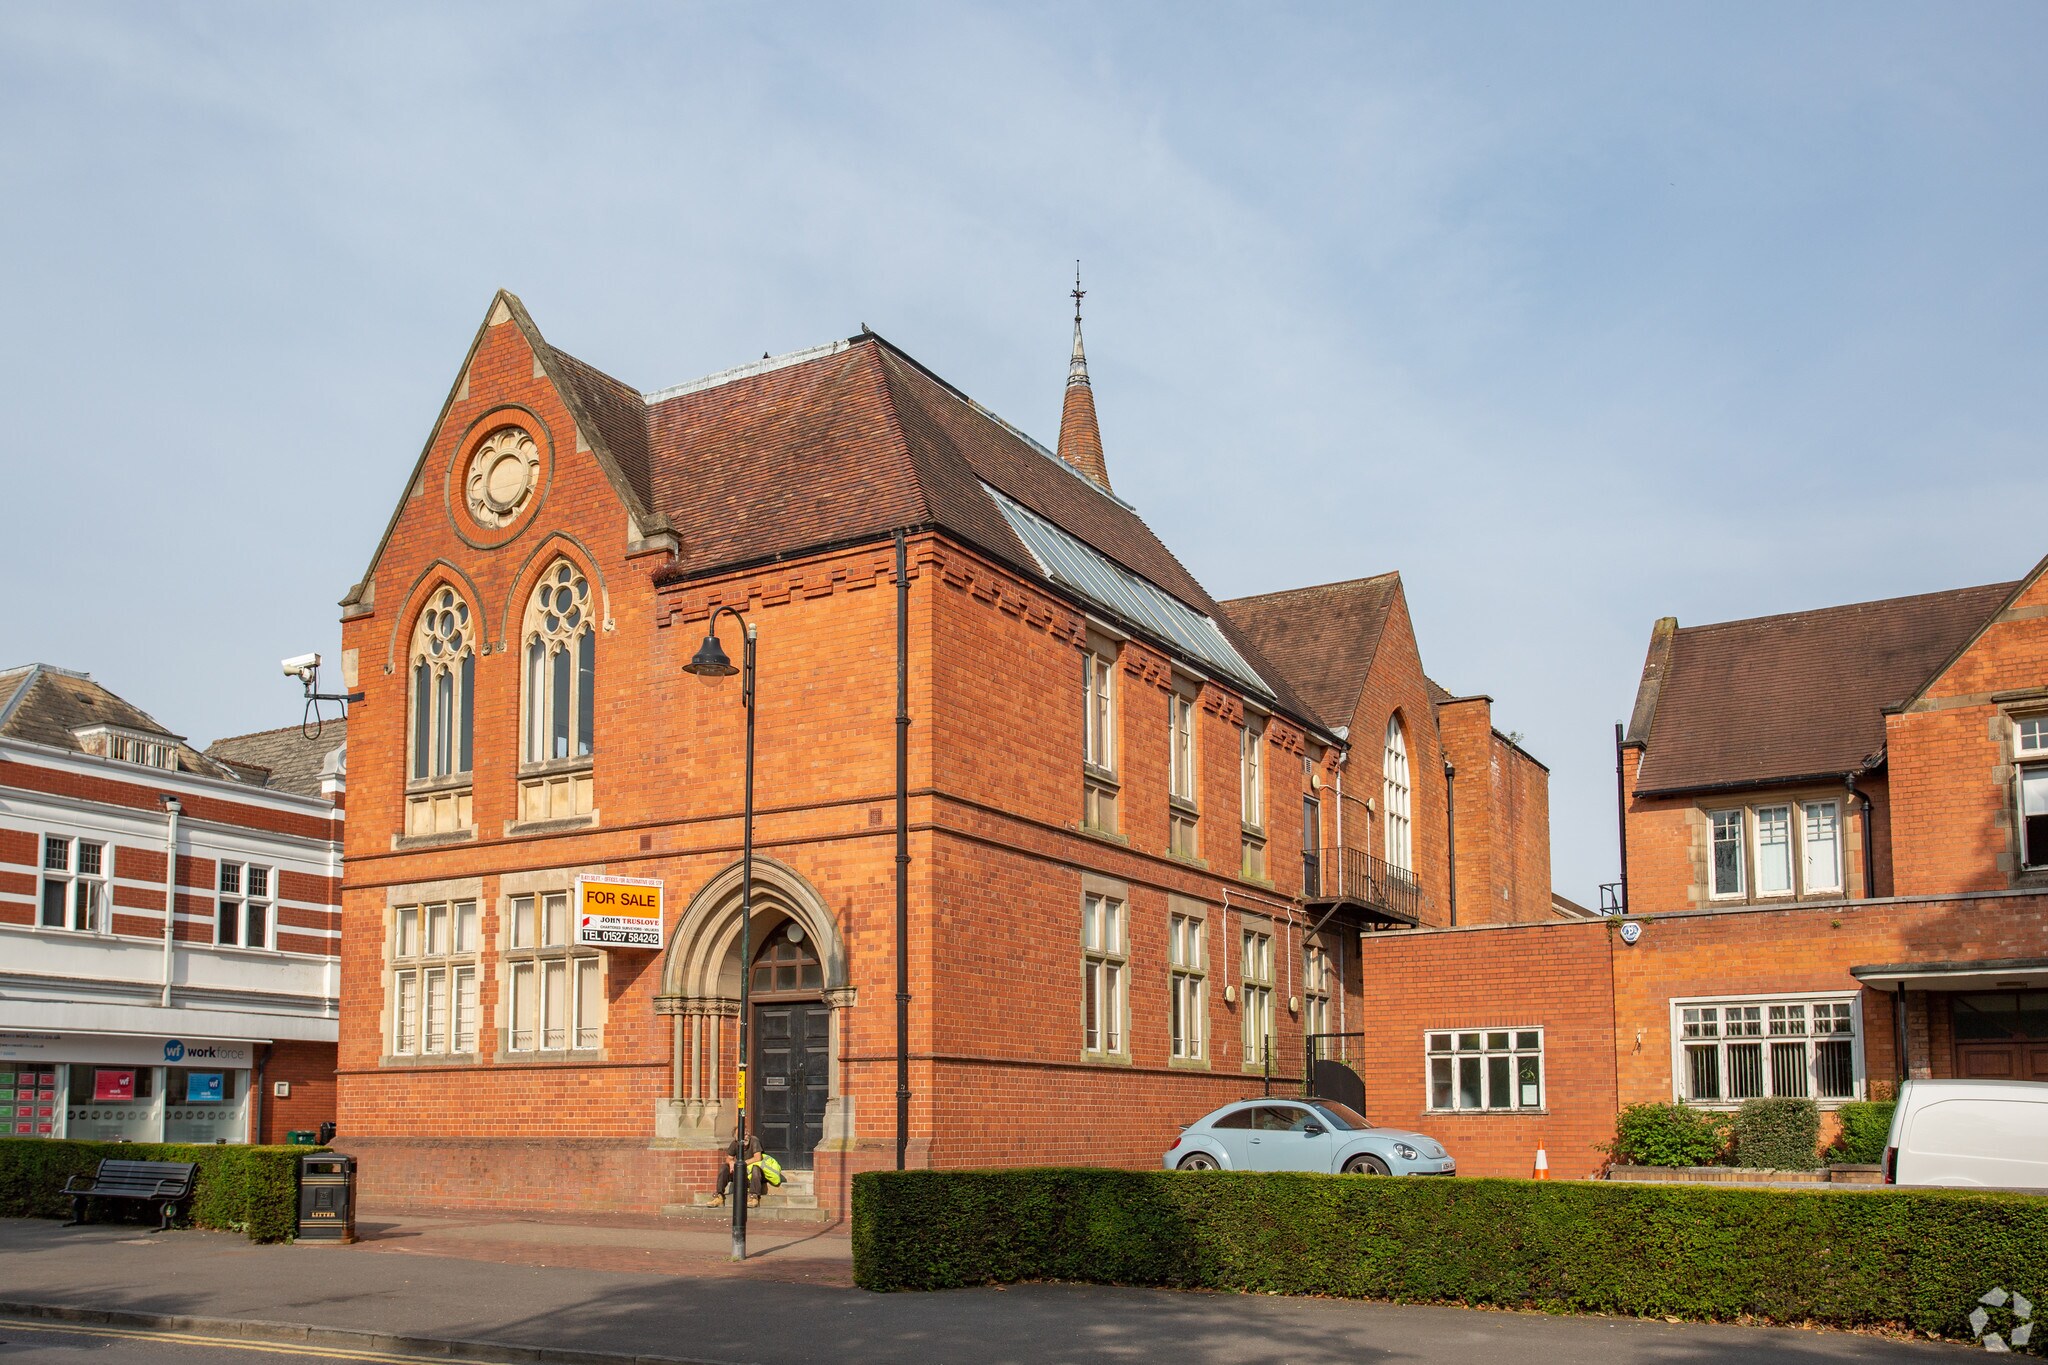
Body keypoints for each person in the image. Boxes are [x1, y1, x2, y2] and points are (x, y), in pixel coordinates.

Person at [710, 1130, 764, 1207]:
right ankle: (719, 1196)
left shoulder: (754, 1140)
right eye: (743, 1135)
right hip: (741, 1173)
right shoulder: (734, 1144)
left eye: (746, 1133)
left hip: (755, 1173)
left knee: (756, 1168)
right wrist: (731, 1163)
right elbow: (728, 1158)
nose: (746, 1136)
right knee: (724, 1167)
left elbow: (758, 1158)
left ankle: (753, 1197)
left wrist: (741, 1164)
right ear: (736, 1138)